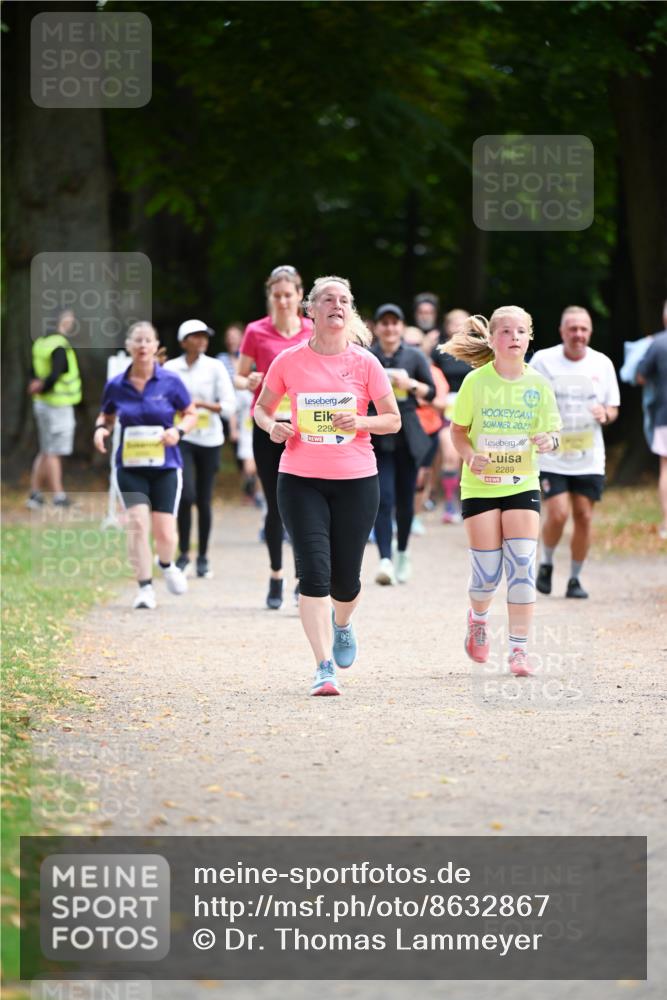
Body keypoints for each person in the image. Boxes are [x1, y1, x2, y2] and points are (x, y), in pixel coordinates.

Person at [254, 275, 399, 696]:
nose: (337, 305)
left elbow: (393, 420)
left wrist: (362, 421)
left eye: (344, 300)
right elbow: (262, 408)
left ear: (350, 311)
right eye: (328, 299)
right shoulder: (289, 361)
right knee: (313, 574)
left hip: (356, 480)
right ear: (311, 310)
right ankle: (323, 667)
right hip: (300, 480)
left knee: (345, 582)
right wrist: (272, 426)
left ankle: (343, 622)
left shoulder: (366, 363)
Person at [445, 307, 561, 677]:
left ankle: (519, 650)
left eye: (521, 331)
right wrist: (470, 457)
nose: (514, 337)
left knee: (523, 567)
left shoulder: (539, 384)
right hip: (480, 485)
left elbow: (553, 433)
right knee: (487, 575)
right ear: (493, 339)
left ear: (530, 338)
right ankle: (478, 618)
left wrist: (548, 440)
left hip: (522, 483)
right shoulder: (475, 382)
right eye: (506, 331)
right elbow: (458, 432)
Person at [94, 321, 197, 610]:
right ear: (128, 346)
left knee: (165, 532)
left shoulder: (170, 381)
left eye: (147, 340)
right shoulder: (116, 385)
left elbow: (190, 413)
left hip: (166, 466)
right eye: (137, 340)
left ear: (155, 346)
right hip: (130, 466)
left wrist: (178, 431)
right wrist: (100, 430)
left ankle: (166, 564)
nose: (142, 345)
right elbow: (106, 416)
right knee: (138, 525)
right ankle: (144, 588)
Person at [236, 266, 313, 608]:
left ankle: (302, 580)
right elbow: (239, 376)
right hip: (267, 424)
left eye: (288, 295)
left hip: (304, 427)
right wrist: (249, 381)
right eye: (277, 295)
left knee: (303, 505)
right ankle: (276, 574)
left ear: (300, 296)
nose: (282, 301)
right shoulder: (256, 331)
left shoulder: (312, 330)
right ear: (270, 296)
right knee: (275, 505)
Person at [530, 306, 620, 598]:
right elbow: (527, 398)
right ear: (562, 331)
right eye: (572, 328)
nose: (578, 334)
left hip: (588, 455)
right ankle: (546, 563)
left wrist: (605, 414)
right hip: (552, 453)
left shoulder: (602, 363)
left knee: (584, 515)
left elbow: (613, 407)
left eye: (583, 329)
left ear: (590, 332)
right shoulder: (543, 361)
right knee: (558, 514)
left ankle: (575, 579)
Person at [164, 319, 236, 578]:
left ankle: (203, 556)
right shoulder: (171, 368)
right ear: (183, 342)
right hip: (182, 436)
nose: (202, 340)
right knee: (186, 496)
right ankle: (184, 553)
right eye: (196, 336)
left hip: (210, 439)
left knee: (204, 500)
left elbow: (229, 405)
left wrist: (201, 405)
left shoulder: (215, 367)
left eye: (205, 336)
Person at [370, 304, 435, 584]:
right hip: (376, 432)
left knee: (405, 500)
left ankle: (403, 552)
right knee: (382, 498)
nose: (389, 328)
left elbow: (431, 392)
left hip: (407, 432)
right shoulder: (367, 356)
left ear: (401, 326)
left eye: (394, 323)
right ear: (376, 327)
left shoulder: (414, 356)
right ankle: (384, 559)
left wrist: (410, 385)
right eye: (384, 323)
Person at [27, 309, 82, 509]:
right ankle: (59, 496)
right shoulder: (59, 345)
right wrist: (43, 386)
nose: (72, 321)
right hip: (58, 405)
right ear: (61, 320)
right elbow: (56, 374)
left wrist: (35, 385)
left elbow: (33, 370)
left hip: (42, 403)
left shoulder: (41, 342)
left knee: (45, 449)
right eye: (69, 317)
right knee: (54, 452)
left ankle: (34, 494)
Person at [403, 326, 449, 534]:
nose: (412, 348)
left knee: (422, 476)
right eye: (407, 344)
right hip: (401, 430)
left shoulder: (434, 372)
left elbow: (441, 404)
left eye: (416, 344)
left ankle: (415, 516)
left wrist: (419, 395)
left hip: (428, 430)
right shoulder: (393, 369)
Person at [431, 308, 472, 523]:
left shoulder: (479, 351)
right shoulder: (439, 351)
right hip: (447, 408)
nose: (457, 326)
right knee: (449, 455)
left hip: (473, 408)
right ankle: (449, 503)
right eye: (453, 322)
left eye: (462, 322)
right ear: (446, 327)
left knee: (470, 457)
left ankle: (470, 502)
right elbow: (430, 376)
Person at [636, 306, 667, 540]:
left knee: (666, 469)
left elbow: (639, 376)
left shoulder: (657, 344)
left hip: (664, 415)